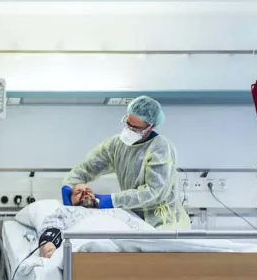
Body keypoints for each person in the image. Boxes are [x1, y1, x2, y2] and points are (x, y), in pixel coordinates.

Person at [61, 95, 189, 229]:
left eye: (136, 128)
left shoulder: (160, 149)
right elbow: (86, 168)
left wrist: (113, 200)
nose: (129, 130)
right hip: (134, 220)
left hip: (164, 223)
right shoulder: (116, 145)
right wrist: (68, 185)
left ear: (150, 127)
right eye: (127, 123)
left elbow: (153, 192)